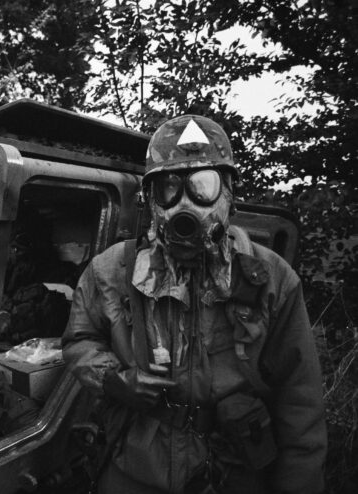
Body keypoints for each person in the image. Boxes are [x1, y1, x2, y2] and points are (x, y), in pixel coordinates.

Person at [62, 115, 327, 493]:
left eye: (203, 187)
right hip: (134, 469)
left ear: (229, 193)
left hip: (230, 472)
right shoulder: (113, 270)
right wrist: (113, 379)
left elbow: (300, 406)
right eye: (169, 189)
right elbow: (78, 340)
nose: (185, 206)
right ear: (150, 200)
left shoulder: (271, 279)